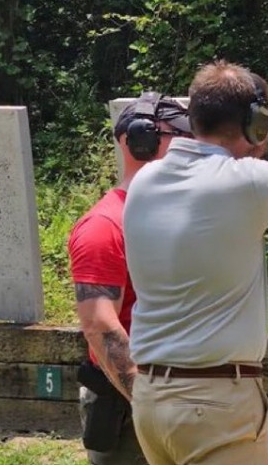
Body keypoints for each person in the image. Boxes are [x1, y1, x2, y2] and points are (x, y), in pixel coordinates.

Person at [123, 61, 268, 465]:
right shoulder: (247, 183)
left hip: (151, 397)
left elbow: (250, 179)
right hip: (215, 401)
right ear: (257, 122)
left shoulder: (146, 181)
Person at [67, 92, 193, 465]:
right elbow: (100, 326)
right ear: (138, 140)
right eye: (180, 135)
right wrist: (152, 404)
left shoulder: (176, 215)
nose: (192, 145)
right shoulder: (104, 226)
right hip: (131, 408)